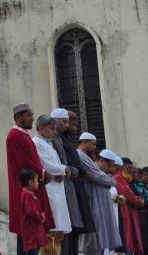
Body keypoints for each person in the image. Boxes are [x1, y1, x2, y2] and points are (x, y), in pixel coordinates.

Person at [6, 103, 54, 253]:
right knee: (26, 231)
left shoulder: (24, 135)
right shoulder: (14, 135)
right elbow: (24, 162)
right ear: (18, 117)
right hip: (24, 187)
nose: (33, 118)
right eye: (29, 115)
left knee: (34, 231)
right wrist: (43, 173)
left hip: (33, 183)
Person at [51, 109, 94, 255]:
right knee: (67, 228)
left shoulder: (64, 139)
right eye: (67, 122)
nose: (71, 127)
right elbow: (63, 164)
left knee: (74, 227)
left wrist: (78, 172)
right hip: (66, 186)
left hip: (74, 186)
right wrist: (77, 172)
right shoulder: (55, 139)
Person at [32, 115, 72, 253]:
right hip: (49, 192)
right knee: (49, 233)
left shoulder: (49, 144)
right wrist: (63, 169)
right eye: (52, 128)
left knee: (58, 234)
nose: (55, 132)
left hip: (58, 191)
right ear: (41, 128)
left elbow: (55, 166)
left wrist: (61, 171)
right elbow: (44, 164)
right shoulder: (36, 142)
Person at [77, 136, 122, 254]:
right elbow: (100, 177)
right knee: (93, 239)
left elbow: (106, 179)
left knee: (100, 240)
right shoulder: (81, 156)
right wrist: (108, 179)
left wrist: (108, 179)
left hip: (102, 208)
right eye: (93, 144)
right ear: (102, 161)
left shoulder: (92, 163)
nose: (95, 147)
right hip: (93, 204)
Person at [114, 157, 144, 255]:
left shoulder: (126, 180)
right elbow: (128, 195)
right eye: (129, 168)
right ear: (121, 167)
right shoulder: (117, 178)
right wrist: (140, 201)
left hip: (130, 213)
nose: (131, 171)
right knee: (126, 239)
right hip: (123, 213)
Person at [19, 169, 48, 255]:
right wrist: (41, 217)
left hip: (34, 230)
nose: (38, 183)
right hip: (32, 230)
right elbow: (31, 211)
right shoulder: (27, 194)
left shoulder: (29, 194)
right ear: (31, 182)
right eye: (36, 181)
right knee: (32, 251)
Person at [132, 166, 148, 253]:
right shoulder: (136, 186)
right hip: (143, 218)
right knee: (147, 245)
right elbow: (141, 202)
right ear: (144, 175)